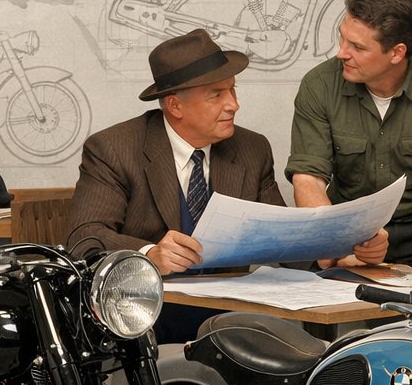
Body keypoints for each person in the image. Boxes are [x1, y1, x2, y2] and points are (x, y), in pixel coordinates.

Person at [286, 0, 412, 271]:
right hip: (350, 231)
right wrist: (334, 242)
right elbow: (308, 179)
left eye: (358, 47)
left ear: (397, 53)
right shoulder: (320, 85)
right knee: (312, 290)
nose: (341, 53)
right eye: (342, 38)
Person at [66, 28, 285, 276]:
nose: (234, 105)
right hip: (148, 306)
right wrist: (148, 254)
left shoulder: (253, 149)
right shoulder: (113, 149)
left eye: (232, 89)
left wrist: (328, 258)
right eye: (217, 95)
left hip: (230, 310)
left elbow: (281, 238)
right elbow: (84, 238)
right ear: (175, 105)